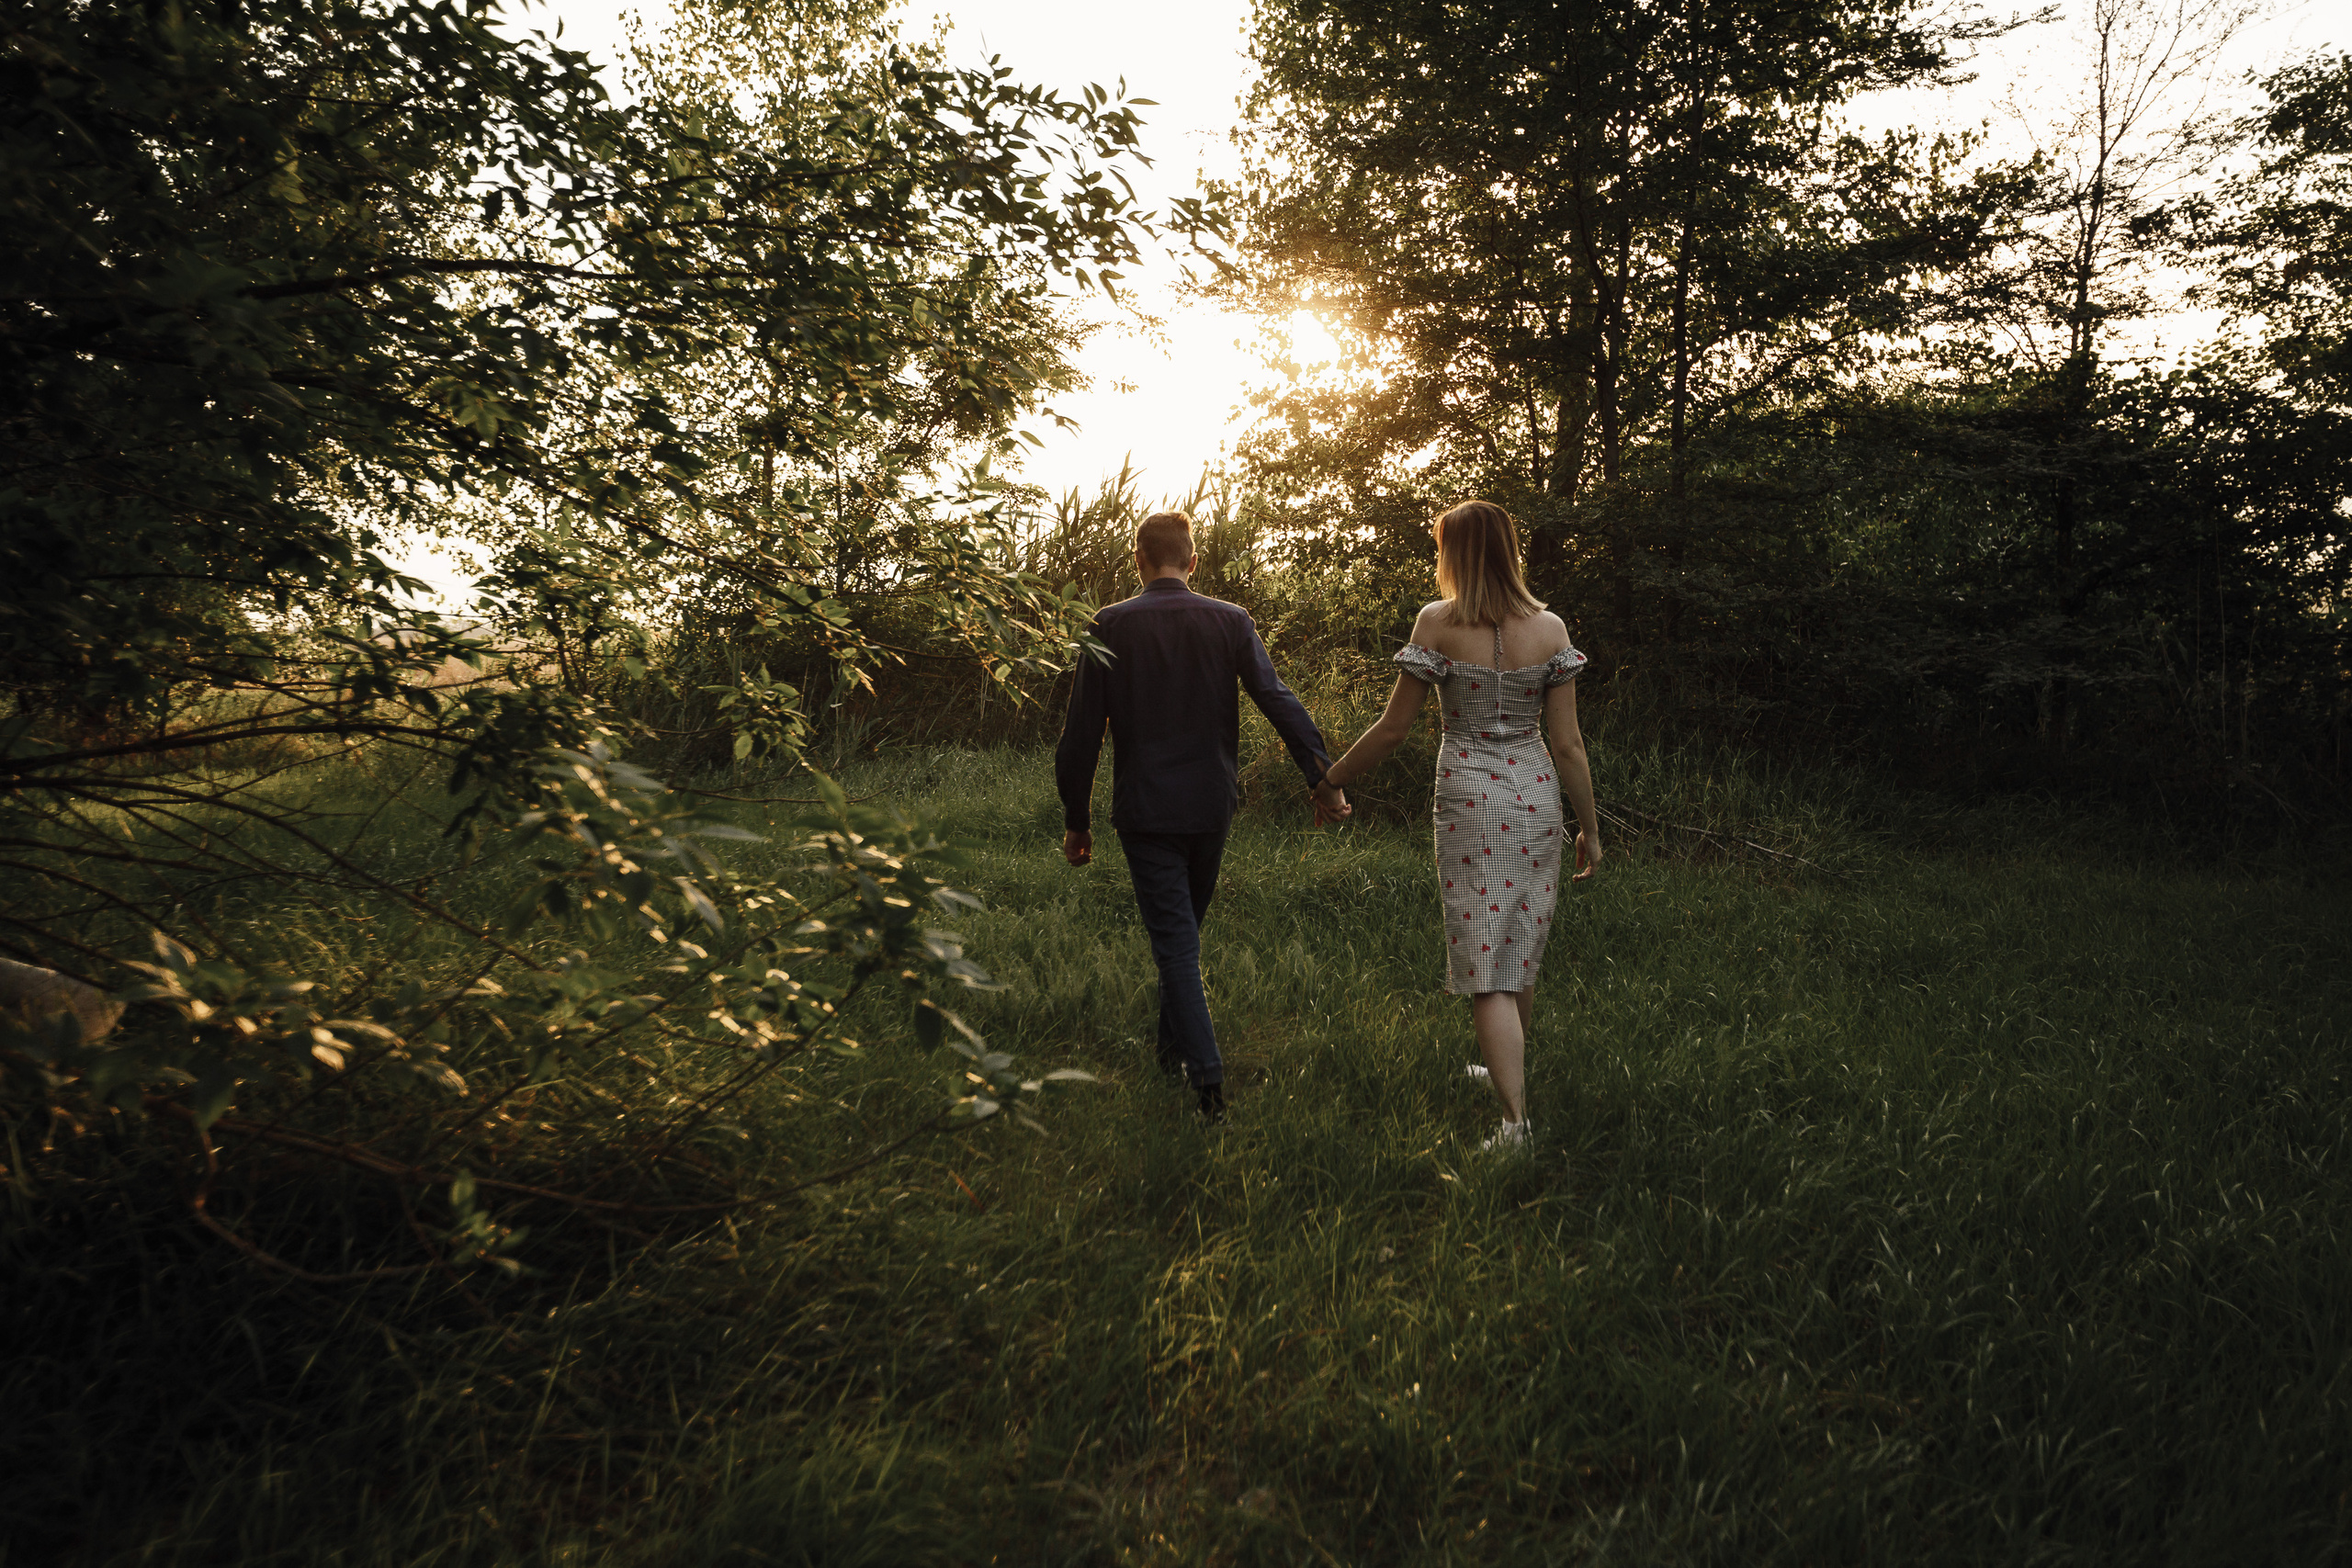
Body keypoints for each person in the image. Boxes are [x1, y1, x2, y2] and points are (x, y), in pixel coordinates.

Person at [1311, 500, 1601, 1149]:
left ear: (1456, 554)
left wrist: (1332, 778)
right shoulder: (1551, 629)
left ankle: (1515, 1124)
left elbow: (1393, 729)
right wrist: (1591, 827)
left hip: (1469, 798)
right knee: (1519, 943)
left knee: (1485, 966)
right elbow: (1570, 746)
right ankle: (1505, 1070)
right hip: (1534, 797)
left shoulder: (1437, 623)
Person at [1055, 511, 1341, 1120]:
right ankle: (1169, 1054)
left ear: (1138, 560)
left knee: (1176, 942)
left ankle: (1206, 1081)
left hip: (1146, 807)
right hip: (1212, 804)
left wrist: (1075, 818)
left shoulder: (1107, 625)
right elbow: (1277, 697)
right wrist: (1321, 775)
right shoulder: (1230, 620)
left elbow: (1080, 734)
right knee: (1179, 937)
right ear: (1192, 560)